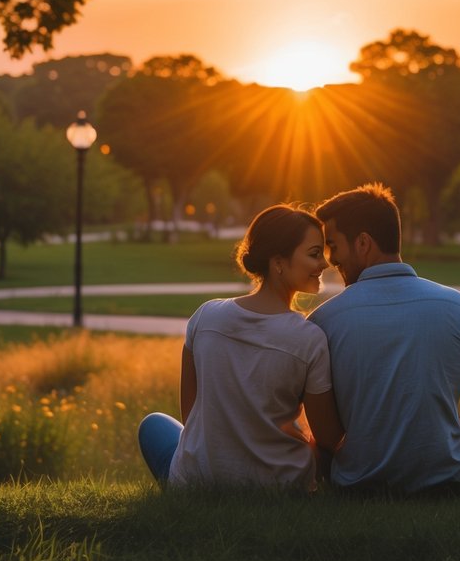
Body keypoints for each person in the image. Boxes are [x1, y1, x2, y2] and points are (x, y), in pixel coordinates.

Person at [308, 183, 460, 496]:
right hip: (445, 481)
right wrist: (445, 432)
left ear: (363, 243)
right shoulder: (458, 306)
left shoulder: (324, 320)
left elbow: (327, 437)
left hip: (359, 485)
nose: (330, 259)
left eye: (333, 245)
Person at [137, 205, 344, 492]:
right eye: (314, 253)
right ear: (278, 262)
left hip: (201, 477)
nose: (324, 263)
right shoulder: (309, 337)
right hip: (278, 485)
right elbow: (327, 438)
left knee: (154, 426)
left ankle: (183, 483)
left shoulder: (205, 316)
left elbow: (193, 415)